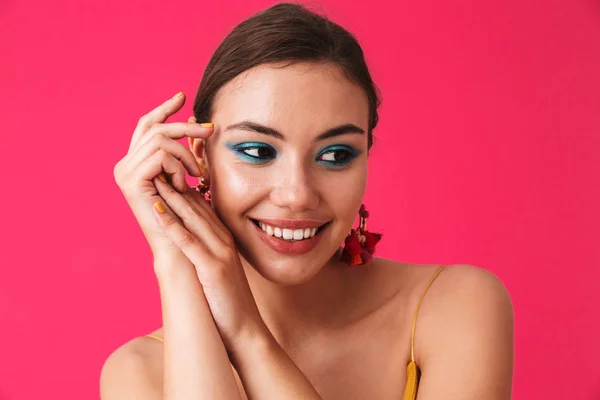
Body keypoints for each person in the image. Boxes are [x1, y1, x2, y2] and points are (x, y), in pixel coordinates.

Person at [101, 2, 514, 399]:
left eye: (335, 155)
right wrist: (175, 260)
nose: (297, 195)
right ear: (198, 153)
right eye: (258, 152)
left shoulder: (453, 307)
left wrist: (248, 334)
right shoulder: (140, 371)